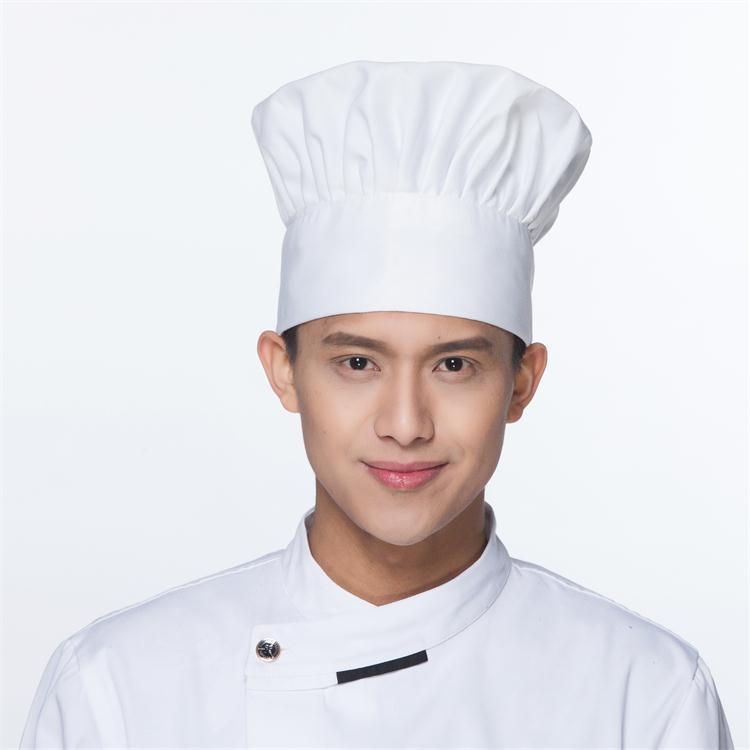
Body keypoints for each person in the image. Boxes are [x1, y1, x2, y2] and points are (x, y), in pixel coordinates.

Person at [19, 59, 734, 749]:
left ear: (522, 383)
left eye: (454, 365)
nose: (405, 425)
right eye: (357, 363)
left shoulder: (643, 695)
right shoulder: (120, 687)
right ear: (284, 372)